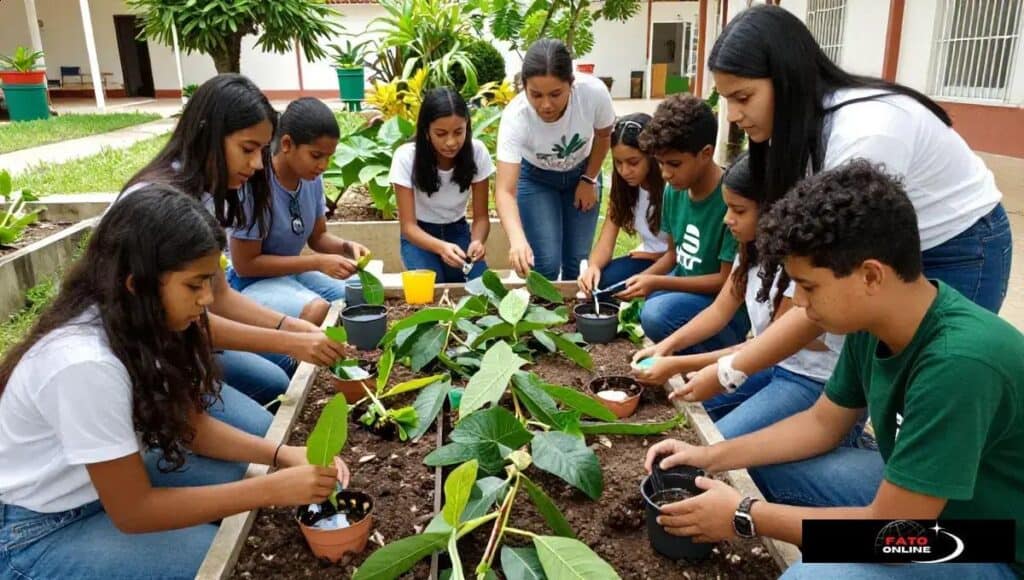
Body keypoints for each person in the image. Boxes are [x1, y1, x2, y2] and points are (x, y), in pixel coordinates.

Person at [644, 161, 1023, 580]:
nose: (800, 305)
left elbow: (896, 534)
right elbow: (821, 424)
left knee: (811, 578)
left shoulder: (959, 363)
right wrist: (710, 455)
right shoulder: (876, 320)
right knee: (758, 466)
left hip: (995, 544)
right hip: (926, 504)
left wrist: (744, 516)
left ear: (871, 275)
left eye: (808, 286)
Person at [0, 189, 343, 580]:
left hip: (98, 491)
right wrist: (272, 489)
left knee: (241, 483)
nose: (208, 299)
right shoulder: (84, 365)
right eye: (195, 285)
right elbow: (134, 511)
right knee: (211, 559)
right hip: (38, 531)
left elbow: (186, 422)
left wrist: (281, 455)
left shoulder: (137, 324)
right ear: (137, 284)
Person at [710, 4, 1011, 314]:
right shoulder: (800, 127)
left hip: (957, 247)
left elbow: (826, 289)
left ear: (787, 77)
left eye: (743, 97)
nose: (732, 115)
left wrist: (729, 364)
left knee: (938, 354)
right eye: (727, 99)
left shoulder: (864, 134)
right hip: (887, 248)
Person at [122, 74, 346, 407]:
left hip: (186, 341)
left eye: (260, 150)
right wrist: (287, 340)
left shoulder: (210, 193)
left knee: (273, 381)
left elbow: (220, 297)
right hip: (148, 362)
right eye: (247, 149)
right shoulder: (158, 205)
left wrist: (289, 327)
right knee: (270, 393)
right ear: (208, 134)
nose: (257, 164)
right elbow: (180, 319)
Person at [631, 153, 847, 441]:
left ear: (772, 210)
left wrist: (681, 365)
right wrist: (667, 348)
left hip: (809, 380)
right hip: (768, 364)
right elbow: (720, 311)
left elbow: (767, 347)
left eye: (738, 210)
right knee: (691, 406)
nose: (727, 219)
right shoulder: (751, 249)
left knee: (717, 438)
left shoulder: (801, 267)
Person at [616, 95, 749, 349]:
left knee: (656, 314)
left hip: (721, 307)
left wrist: (657, 281)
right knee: (649, 302)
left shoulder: (731, 203)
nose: (665, 173)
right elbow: (673, 255)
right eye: (660, 163)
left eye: (674, 164)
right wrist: (642, 279)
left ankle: (706, 356)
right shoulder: (673, 190)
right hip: (686, 290)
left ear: (705, 154)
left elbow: (723, 281)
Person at [228, 97, 370, 325]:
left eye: (328, 157)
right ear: (286, 144)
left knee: (358, 296)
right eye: (316, 155)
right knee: (317, 310)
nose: (323, 165)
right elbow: (244, 265)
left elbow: (318, 237)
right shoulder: (254, 184)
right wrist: (317, 263)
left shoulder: (311, 180)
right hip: (250, 283)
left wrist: (346, 248)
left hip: (291, 272)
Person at [494, 38, 615, 280]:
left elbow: (603, 136)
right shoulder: (515, 117)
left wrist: (589, 179)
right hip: (536, 178)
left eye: (556, 94)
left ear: (571, 84)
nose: (546, 105)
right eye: (536, 95)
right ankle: (547, 316)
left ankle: (573, 317)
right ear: (523, 86)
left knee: (577, 263)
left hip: (584, 170)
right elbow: (504, 190)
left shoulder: (593, 93)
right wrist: (517, 240)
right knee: (545, 264)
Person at [389, 87, 494, 282]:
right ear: (426, 131)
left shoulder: (477, 152)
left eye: (458, 132)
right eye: (441, 133)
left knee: (482, 288)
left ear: (467, 126)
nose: (451, 142)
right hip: (419, 237)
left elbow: (481, 218)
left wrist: (477, 241)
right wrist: (441, 247)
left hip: (458, 231)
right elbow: (408, 228)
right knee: (433, 287)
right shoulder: (406, 157)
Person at [577, 113, 669, 296]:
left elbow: (684, 252)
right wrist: (593, 267)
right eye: (618, 163)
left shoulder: (671, 188)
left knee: (644, 295)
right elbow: (606, 242)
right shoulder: (625, 189)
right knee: (601, 283)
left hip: (673, 264)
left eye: (633, 162)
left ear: (652, 156)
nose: (624, 171)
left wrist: (656, 257)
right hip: (645, 258)